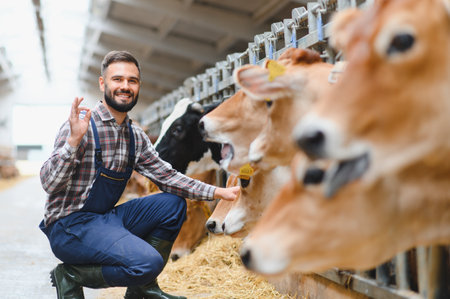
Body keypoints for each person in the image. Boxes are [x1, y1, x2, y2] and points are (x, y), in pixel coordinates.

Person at [39, 50, 239, 299]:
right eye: (117, 79)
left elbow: (167, 176)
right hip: (69, 228)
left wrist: (219, 191)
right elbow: (49, 183)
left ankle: (141, 290)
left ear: (138, 86)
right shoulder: (81, 126)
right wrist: (72, 143)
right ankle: (70, 275)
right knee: (147, 263)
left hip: (105, 219)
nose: (125, 86)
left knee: (172, 204)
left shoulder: (135, 136)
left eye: (131, 81)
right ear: (103, 83)